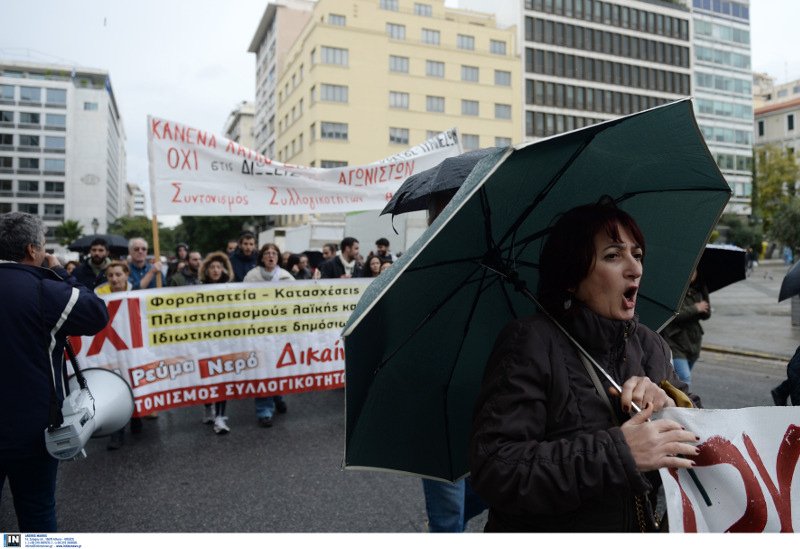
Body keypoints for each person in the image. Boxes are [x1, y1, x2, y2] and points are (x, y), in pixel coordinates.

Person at [469, 202, 700, 532]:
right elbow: (496, 469)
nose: (635, 269)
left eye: (637, 254)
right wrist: (619, 454)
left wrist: (668, 404)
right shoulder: (530, 342)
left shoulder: (651, 345)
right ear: (571, 277)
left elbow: (703, 441)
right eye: (613, 256)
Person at [0, 212, 108, 532]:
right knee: (36, 511)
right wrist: (60, 271)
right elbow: (96, 314)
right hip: (32, 428)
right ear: (33, 250)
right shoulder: (43, 289)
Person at [244, 243, 291, 427]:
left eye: (274, 253)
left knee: (278, 366)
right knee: (262, 369)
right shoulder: (251, 277)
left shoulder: (287, 278)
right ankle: (264, 410)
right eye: (267, 253)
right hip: (259, 331)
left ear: (278, 257)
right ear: (262, 257)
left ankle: (278, 396)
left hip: (280, 332)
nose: (270, 256)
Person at [94, 260, 133, 450]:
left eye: (118, 275)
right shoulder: (99, 295)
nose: (114, 279)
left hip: (133, 346)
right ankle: (117, 432)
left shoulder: (138, 292)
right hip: (110, 347)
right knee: (116, 385)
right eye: (110, 276)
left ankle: (137, 418)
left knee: (135, 382)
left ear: (126, 275)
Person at [199, 251, 235, 434]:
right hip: (204, 341)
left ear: (223, 270)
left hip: (223, 341)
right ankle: (208, 408)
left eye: (218, 267)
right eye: (212, 267)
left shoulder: (230, 289)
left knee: (222, 377)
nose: (215, 270)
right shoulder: (196, 289)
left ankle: (220, 417)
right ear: (206, 270)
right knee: (206, 377)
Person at [660, 269, 710, 384]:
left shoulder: (698, 290)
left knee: (679, 380)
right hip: (675, 341)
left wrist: (704, 290)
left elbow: (707, 314)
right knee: (685, 378)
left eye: (695, 271)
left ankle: (673, 398)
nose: (692, 274)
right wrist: (696, 308)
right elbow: (675, 315)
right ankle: (684, 402)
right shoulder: (674, 292)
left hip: (693, 342)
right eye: (690, 270)